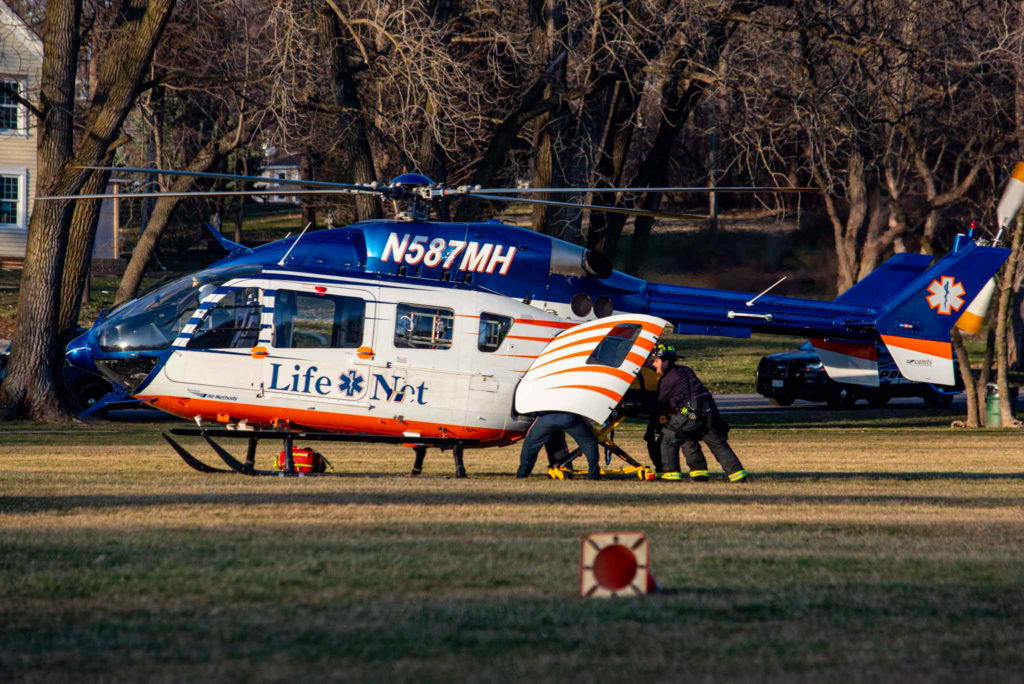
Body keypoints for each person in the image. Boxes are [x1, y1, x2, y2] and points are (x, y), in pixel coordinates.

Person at [651, 345, 748, 483]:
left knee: (669, 436)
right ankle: (735, 475)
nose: (653, 364)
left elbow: (661, 403)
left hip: (690, 412)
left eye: (656, 360)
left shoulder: (668, 379)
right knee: (715, 442)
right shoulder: (685, 371)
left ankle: (670, 476)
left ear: (666, 361)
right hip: (708, 411)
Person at [516, 412, 601, 480]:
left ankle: (522, 474)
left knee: (530, 445)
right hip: (570, 418)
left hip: (546, 419)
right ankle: (594, 475)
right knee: (589, 443)